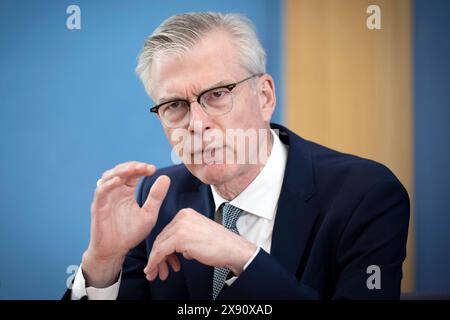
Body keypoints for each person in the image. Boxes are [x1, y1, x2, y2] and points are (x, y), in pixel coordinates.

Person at [64, 12, 410, 300]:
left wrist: (244, 258)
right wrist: (102, 264)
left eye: (217, 94)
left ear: (264, 96)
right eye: (174, 105)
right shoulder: (154, 198)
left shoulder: (367, 194)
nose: (197, 125)